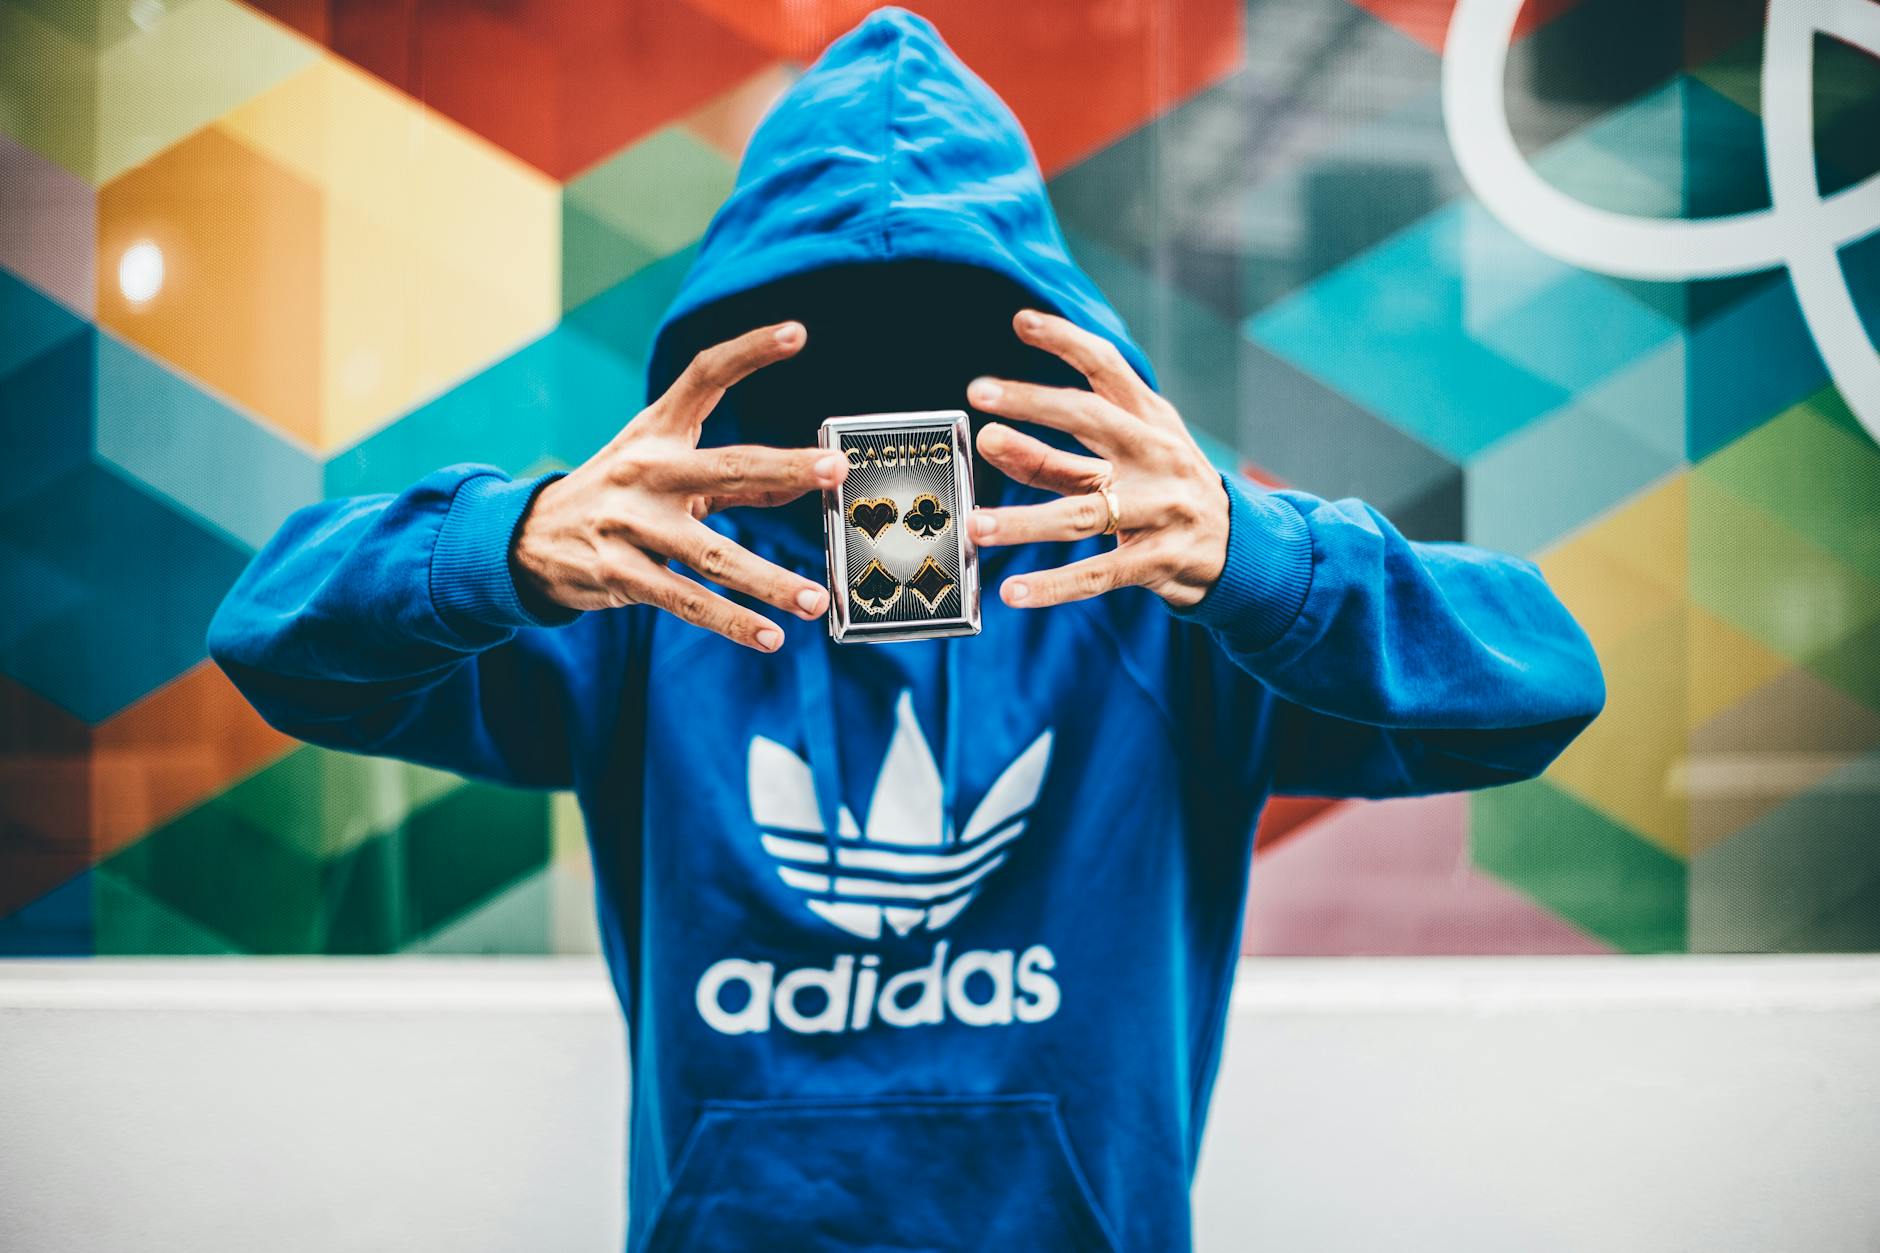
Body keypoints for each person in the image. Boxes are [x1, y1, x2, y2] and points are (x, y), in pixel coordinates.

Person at [209, 9, 1604, 1250]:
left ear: (1032, 345)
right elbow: (272, 632)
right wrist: (509, 546)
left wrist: (1260, 560)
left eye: (936, 350)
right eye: (825, 350)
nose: (884, 423)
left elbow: (1542, 680)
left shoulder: (1157, 586)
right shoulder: (648, 592)